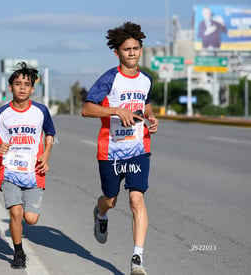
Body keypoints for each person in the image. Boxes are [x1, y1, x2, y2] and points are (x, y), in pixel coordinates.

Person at [81, 22, 158, 275]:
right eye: (127, 49)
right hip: (111, 150)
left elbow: (145, 105)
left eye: (136, 48)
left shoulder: (146, 80)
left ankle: (137, 259)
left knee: (137, 199)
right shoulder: (109, 79)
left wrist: (151, 117)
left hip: (138, 148)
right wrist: (116, 109)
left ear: (141, 49)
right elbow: (87, 109)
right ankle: (100, 213)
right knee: (111, 200)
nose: (132, 53)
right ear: (118, 52)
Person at [0, 62, 56, 269]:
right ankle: (19, 251)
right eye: (18, 83)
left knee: (30, 219)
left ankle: (20, 237)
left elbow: (50, 133)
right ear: (10, 87)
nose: (22, 87)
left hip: (33, 171)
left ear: (32, 89)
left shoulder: (41, 111)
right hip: (8, 170)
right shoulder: (2, 113)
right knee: (16, 212)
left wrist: (46, 154)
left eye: (27, 84)